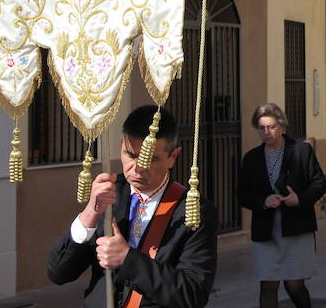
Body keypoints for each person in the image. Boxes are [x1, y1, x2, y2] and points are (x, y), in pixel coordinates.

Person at [47, 105, 218, 308]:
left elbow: (193, 294)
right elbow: (59, 273)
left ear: (173, 157)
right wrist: (90, 214)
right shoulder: (110, 194)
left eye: (150, 158)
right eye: (130, 154)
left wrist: (128, 258)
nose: (137, 168)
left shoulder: (193, 211)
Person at [238, 103, 326, 308]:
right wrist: (263, 201)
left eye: (271, 127)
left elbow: (319, 183)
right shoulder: (251, 158)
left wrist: (300, 200)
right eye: (261, 128)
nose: (266, 132)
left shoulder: (301, 150)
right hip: (266, 230)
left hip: (296, 228)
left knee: (294, 285)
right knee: (268, 285)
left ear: (283, 127)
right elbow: (242, 193)